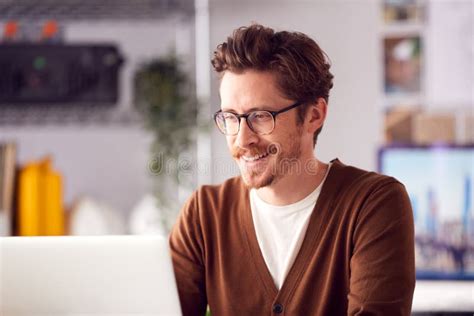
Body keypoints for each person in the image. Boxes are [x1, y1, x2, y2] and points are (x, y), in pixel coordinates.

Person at [169, 23, 415, 316]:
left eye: (260, 117)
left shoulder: (372, 203)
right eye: (231, 117)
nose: (242, 138)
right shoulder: (204, 213)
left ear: (314, 115)